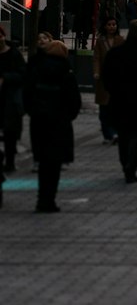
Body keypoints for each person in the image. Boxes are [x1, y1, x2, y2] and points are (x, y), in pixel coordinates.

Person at [23, 37, 81, 212]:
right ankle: (50, 199)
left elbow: (27, 93)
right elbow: (74, 101)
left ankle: (42, 198)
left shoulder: (36, 70)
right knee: (54, 164)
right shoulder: (66, 73)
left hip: (39, 122)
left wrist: (33, 111)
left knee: (42, 162)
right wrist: (68, 116)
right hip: (59, 123)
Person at [102, 19, 137, 182]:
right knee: (136, 135)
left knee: (124, 134)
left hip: (119, 101)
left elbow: (107, 78)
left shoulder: (115, 54)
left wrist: (113, 91)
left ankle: (125, 162)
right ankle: (131, 165)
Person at [92, 15, 124, 144]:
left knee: (116, 108)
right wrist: (96, 72)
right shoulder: (100, 41)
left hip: (117, 79)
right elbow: (96, 58)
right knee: (104, 108)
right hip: (104, 79)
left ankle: (115, 132)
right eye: (109, 24)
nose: (112, 27)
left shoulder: (120, 40)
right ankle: (108, 133)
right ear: (105, 26)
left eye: (114, 25)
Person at [0, 22, 26, 170]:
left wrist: (5, 78)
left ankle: (10, 162)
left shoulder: (14, 54)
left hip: (9, 99)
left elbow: (22, 74)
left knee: (10, 133)